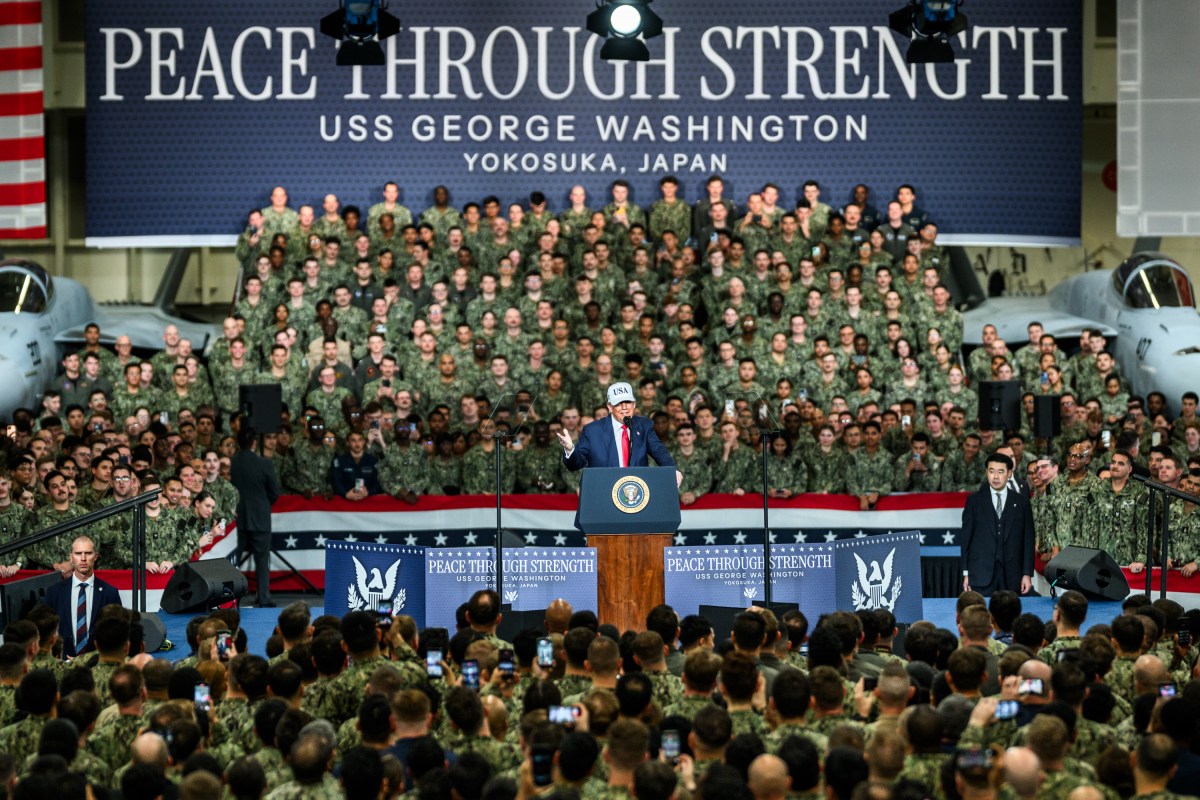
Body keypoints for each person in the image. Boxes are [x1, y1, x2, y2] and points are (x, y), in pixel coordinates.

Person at [961, 453, 1035, 596]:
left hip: (1013, 575)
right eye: (991, 471)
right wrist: (966, 573)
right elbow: (966, 540)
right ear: (986, 472)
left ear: (1009, 473)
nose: (995, 477)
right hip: (981, 574)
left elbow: (1028, 540)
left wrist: (1027, 574)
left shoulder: (1022, 502)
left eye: (1000, 472)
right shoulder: (974, 501)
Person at [42, 535, 122, 659]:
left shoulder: (110, 593)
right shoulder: (54, 592)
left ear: (95, 556)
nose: (83, 558)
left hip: (96, 667)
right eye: (78, 553)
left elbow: (117, 635)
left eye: (88, 553)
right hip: (62, 665)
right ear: (71, 557)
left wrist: (86, 660)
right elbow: (44, 632)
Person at [230, 426, 282, 608]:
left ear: (237, 442)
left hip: (238, 516)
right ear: (254, 443)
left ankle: (229, 597)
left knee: (233, 559)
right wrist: (263, 505)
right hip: (260, 516)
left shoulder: (233, 462)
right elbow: (275, 492)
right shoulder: (265, 463)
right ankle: (264, 597)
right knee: (262, 559)